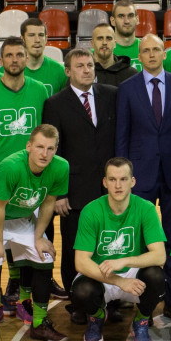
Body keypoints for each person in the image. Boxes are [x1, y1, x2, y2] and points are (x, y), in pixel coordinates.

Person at [0, 36, 52, 314]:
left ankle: (20, 295)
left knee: (29, 250)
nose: (15, 60)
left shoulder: (39, 90)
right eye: (9, 55)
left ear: (27, 59)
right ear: (1, 61)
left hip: (32, 183)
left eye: (19, 55)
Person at [115, 34, 171, 313]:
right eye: (146, 50)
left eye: (156, 50)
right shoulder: (127, 89)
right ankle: (144, 299)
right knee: (140, 239)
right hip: (140, 175)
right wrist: (124, 178)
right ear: (139, 56)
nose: (151, 54)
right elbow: (122, 137)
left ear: (165, 54)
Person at [0, 124, 70, 341]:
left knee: (44, 257)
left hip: (22, 215)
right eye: (40, 147)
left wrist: (38, 236)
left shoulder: (61, 167)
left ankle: (39, 323)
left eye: (50, 148)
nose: (44, 153)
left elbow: (47, 202)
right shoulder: (11, 167)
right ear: (28, 147)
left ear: (56, 150)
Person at [42, 49, 118, 322]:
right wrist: (59, 193)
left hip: (108, 190)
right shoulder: (55, 103)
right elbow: (52, 153)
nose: (87, 70)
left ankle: (108, 298)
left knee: (107, 247)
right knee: (75, 248)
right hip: (73, 192)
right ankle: (78, 304)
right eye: (80, 66)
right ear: (68, 71)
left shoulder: (110, 94)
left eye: (90, 65)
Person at [72, 157, 166, 341]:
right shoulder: (91, 211)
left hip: (132, 274)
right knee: (81, 291)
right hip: (102, 275)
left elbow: (160, 255)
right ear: (105, 182)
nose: (118, 185)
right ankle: (97, 318)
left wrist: (124, 261)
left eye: (123, 179)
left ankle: (140, 321)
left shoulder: (145, 209)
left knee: (157, 277)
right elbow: (81, 262)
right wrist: (119, 281)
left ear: (132, 182)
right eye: (112, 180)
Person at [13, 17, 68, 96]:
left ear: (46, 39)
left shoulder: (60, 72)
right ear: (22, 39)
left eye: (41, 35)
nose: (37, 40)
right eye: (31, 35)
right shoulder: (8, 71)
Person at [91, 22, 138, 87]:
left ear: (115, 44)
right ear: (92, 43)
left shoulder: (131, 75)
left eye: (109, 38)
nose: (104, 42)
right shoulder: (84, 73)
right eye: (100, 38)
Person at [111, 0, 141, 71]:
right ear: (113, 21)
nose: (126, 21)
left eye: (130, 16)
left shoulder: (147, 49)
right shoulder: (101, 52)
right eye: (121, 16)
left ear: (137, 19)